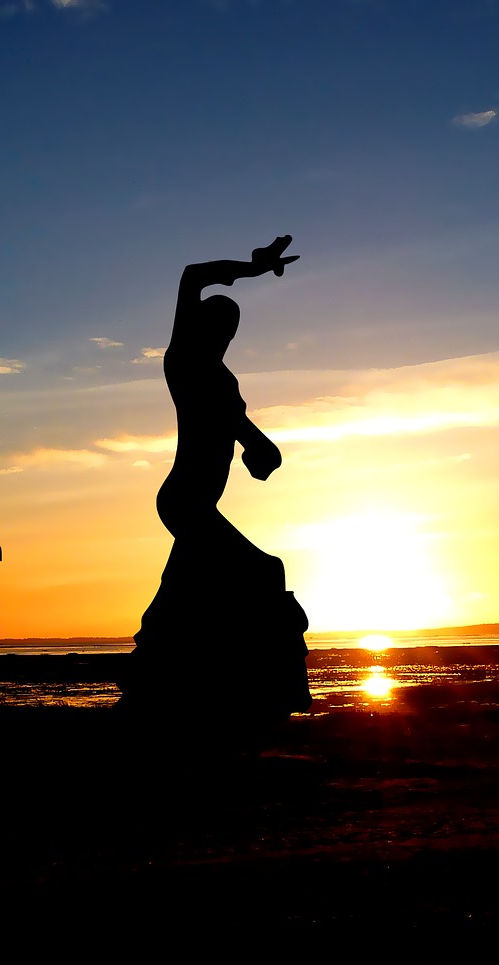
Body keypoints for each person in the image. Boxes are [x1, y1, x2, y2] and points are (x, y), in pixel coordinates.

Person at [119, 236, 312, 728]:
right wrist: (252, 268)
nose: (226, 334)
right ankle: (262, 690)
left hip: (199, 503)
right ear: (200, 325)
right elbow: (191, 276)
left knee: (182, 593)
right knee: (263, 573)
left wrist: (261, 449)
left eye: (232, 329)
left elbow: (241, 429)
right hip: (184, 500)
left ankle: (157, 689)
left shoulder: (223, 379)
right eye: (218, 324)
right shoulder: (183, 361)